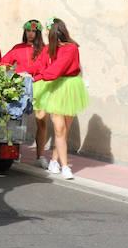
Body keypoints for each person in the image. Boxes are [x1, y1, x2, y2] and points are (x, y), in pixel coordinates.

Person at [32, 17, 89, 180]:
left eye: (47, 30)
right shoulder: (48, 49)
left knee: (64, 130)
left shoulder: (71, 48)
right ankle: (64, 166)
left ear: (54, 32)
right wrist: (24, 73)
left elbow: (56, 70)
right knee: (59, 129)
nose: (46, 33)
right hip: (55, 87)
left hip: (69, 87)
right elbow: (39, 65)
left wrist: (35, 78)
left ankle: (54, 161)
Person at [0, 20, 49, 167]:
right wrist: (14, 74)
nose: (30, 34)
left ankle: (40, 156)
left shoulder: (45, 49)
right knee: (16, 119)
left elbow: (47, 68)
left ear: (38, 33)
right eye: (28, 31)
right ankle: (15, 151)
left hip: (39, 86)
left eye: (34, 31)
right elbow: (3, 64)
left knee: (41, 120)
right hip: (21, 88)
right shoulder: (18, 48)